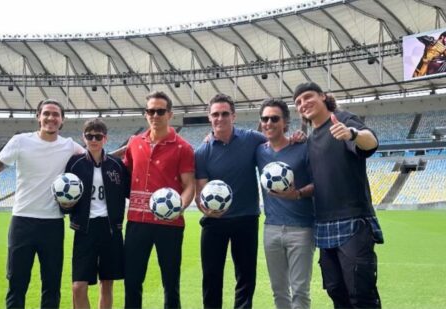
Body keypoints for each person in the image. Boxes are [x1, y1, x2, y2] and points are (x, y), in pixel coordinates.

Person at [0, 99, 84, 309]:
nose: (51, 118)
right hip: (22, 222)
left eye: (56, 114)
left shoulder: (69, 145)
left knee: (52, 285)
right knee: (17, 283)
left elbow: (100, 158)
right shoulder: (20, 141)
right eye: (46, 113)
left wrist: (130, 148)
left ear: (62, 120)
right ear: (38, 116)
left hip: (53, 224)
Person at [293, 82, 384, 309]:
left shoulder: (342, 119)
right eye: (298, 102)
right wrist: (296, 193)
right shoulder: (311, 140)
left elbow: (371, 142)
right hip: (324, 224)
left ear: (323, 96)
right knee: (336, 291)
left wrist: (351, 134)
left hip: (353, 222)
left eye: (308, 96)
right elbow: (318, 182)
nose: (304, 104)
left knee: (360, 293)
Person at [122, 91, 195, 309]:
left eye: (160, 111)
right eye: (150, 111)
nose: (155, 115)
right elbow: (126, 176)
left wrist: (178, 206)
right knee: (132, 281)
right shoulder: (134, 143)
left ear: (170, 114)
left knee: (170, 283)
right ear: (146, 114)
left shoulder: (183, 147)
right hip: (136, 222)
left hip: (169, 225)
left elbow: (189, 185)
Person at [195, 93, 267, 309]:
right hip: (214, 222)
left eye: (225, 113)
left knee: (246, 277)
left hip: (246, 219)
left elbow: (277, 144)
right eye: (215, 114)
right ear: (209, 117)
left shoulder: (252, 139)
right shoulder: (202, 152)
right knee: (211, 277)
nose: (220, 118)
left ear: (233, 116)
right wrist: (205, 209)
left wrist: (296, 137)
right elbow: (201, 191)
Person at [63, 118, 130, 309]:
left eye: (98, 136)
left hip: (111, 229)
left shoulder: (117, 165)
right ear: (83, 138)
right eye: (89, 136)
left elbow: (130, 190)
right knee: (78, 286)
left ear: (105, 138)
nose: (94, 139)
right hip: (85, 229)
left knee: (107, 284)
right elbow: (64, 196)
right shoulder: (75, 164)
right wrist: (66, 207)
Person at [255, 98, 315, 309]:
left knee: (300, 291)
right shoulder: (259, 151)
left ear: (285, 123)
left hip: (302, 229)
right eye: (265, 118)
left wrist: (297, 194)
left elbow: (319, 183)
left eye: (274, 118)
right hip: (271, 228)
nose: (269, 123)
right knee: (279, 290)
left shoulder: (303, 147)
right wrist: (209, 137)